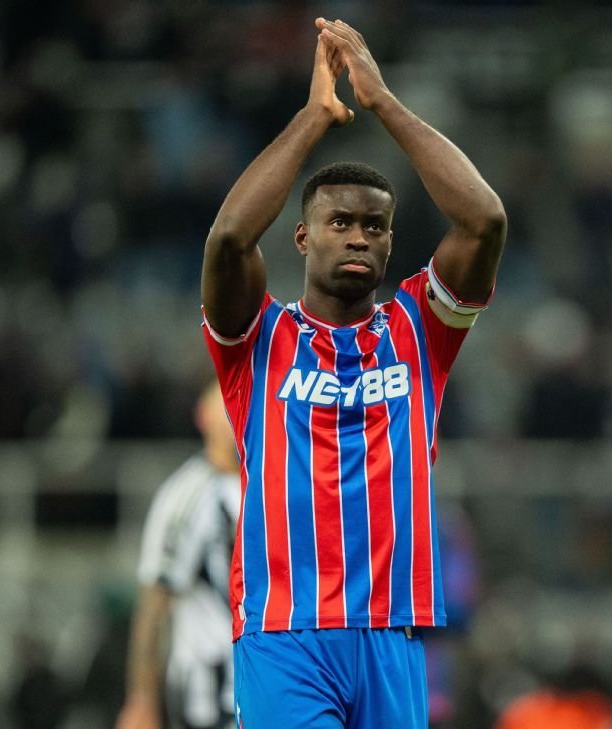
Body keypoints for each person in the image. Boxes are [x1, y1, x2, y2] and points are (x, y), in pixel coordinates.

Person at [199, 17, 506, 728]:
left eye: (375, 226)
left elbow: (485, 220)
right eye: (340, 223)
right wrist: (315, 117)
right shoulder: (258, 339)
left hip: (392, 632)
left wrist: (383, 103)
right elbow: (229, 239)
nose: (359, 237)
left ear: (392, 241)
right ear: (302, 236)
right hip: (284, 633)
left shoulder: (419, 330)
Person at [118, 382, 241, 729]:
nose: (235, 411)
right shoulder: (185, 496)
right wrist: (141, 700)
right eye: (224, 404)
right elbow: (154, 604)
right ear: (203, 417)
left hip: (269, 681)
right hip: (209, 692)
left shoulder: (272, 481)